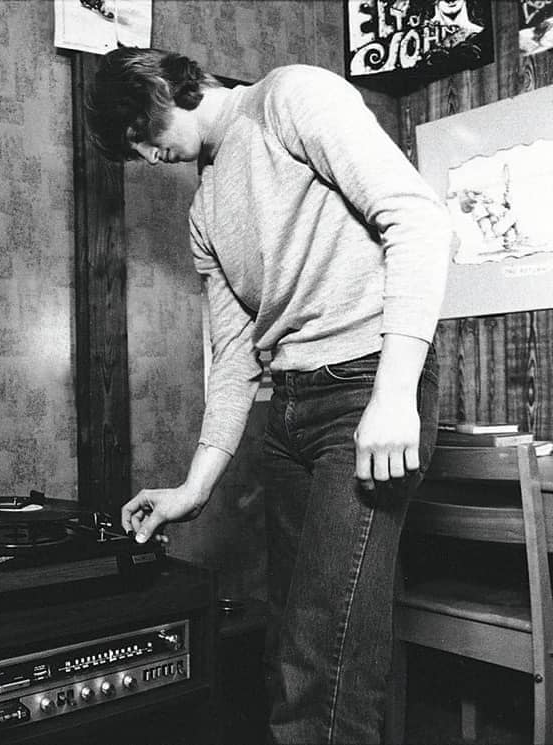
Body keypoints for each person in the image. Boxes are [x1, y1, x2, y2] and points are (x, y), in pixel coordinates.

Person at [87, 48, 452, 744]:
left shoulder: (290, 98)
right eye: (131, 146)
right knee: (286, 639)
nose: (143, 151)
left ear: (168, 86)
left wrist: (395, 389)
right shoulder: (204, 212)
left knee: (324, 659)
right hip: (290, 406)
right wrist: (193, 487)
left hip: (367, 386)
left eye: (138, 127)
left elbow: (420, 220)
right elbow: (233, 358)